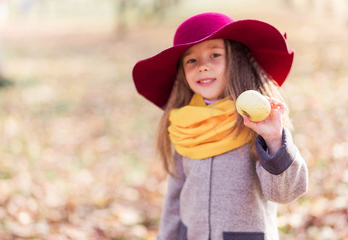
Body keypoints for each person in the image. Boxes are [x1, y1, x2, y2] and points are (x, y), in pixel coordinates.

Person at [132, 12, 308, 240]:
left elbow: (285, 193)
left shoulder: (257, 123)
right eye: (191, 60)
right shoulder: (184, 125)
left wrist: (274, 139)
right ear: (182, 72)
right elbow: (175, 199)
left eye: (214, 55)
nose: (202, 66)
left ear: (236, 61)